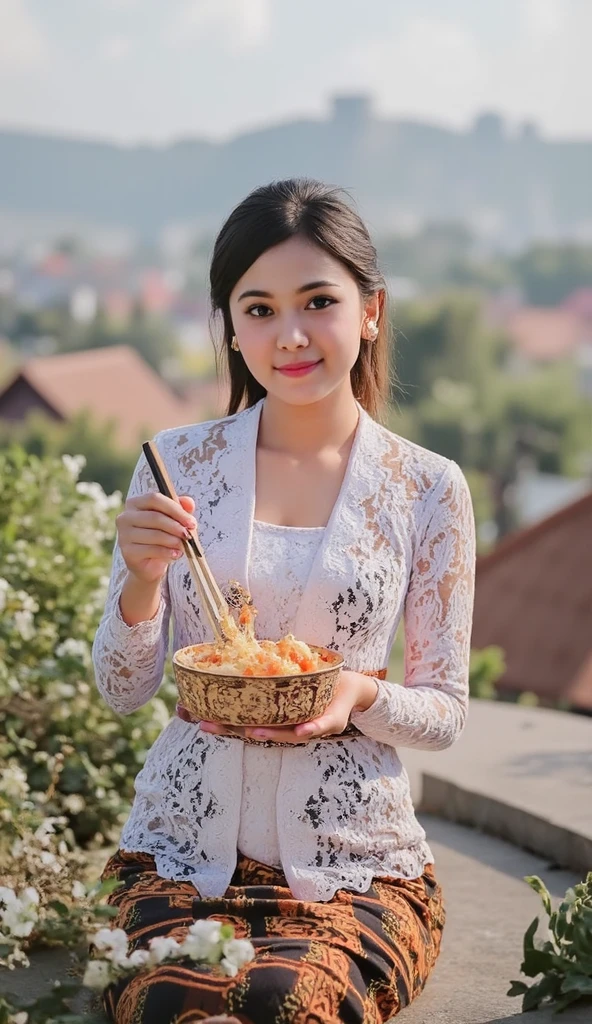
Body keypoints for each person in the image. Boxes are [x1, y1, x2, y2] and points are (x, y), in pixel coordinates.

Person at [92, 178, 476, 1024]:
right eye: (258, 309)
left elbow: (445, 710)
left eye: (318, 302)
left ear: (370, 311)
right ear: (230, 326)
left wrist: (356, 697)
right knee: (170, 1004)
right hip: (180, 855)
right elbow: (123, 688)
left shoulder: (426, 488)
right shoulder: (175, 466)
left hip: (356, 866)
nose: (289, 335)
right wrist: (143, 578)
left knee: (286, 1005)